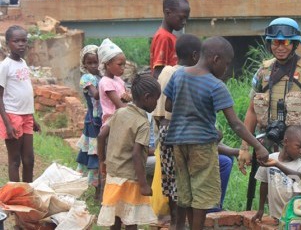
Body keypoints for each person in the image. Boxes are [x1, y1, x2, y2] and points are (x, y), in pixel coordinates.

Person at [164, 36, 269, 230]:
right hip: (202, 146)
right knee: (202, 195)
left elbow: (168, 105)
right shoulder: (216, 85)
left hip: (177, 143)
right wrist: (258, 146)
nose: (227, 69)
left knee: (185, 193)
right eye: (227, 64)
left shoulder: (179, 75)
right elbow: (236, 124)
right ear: (216, 59)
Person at [238, 18, 301, 209]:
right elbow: (252, 110)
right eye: (275, 42)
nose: (280, 47)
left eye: (285, 42)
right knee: (271, 193)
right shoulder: (264, 72)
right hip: (270, 143)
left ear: (294, 43)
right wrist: (245, 147)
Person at [96, 73, 160, 229]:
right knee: (131, 219)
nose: (157, 103)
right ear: (146, 97)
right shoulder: (143, 123)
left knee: (116, 218)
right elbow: (137, 154)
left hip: (113, 175)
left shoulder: (120, 112)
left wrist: (102, 162)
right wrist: (144, 184)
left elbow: (101, 135)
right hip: (131, 178)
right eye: (156, 99)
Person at [153, 34, 202, 226]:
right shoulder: (190, 75)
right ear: (196, 56)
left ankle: (175, 221)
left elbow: (158, 111)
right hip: (182, 133)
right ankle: (183, 222)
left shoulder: (165, 72)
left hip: (164, 130)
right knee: (185, 180)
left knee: (170, 180)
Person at [0, 25, 41, 183]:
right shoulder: (5, 66)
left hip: (27, 117)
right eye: (16, 41)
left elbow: (24, 91)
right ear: (8, 44)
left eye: (24, 41)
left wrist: (33, 118)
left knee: (29, 160)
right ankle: (16, 197)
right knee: (15, 160)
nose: (21, 44)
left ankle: (27, 193)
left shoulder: (23, 62)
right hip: (12, 116)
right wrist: (7, 124)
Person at [251, 126, 301, 223]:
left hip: (290, 217)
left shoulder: (300, 167)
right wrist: (261, 209)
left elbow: (297, 195)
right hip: (275, 216)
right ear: (285, 142)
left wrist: (290, 216)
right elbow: (264, 183)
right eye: (298, 146)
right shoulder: (271, 158)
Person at [76, 45, 102, 199]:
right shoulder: (86, 78)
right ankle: (96, 190)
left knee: (102, 153)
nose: (93, 66)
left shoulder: (102, 77)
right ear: (84, 64)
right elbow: (96, 95)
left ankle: (101, 189)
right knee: (95, 154)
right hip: (93, 121)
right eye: (90, 63)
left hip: (103, 120)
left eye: (96, 62)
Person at [150, 0, 190, 79]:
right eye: (181, 18)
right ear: (168, 13)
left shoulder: (169, 37)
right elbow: (158, 73)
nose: (184, 22)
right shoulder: (163, 37)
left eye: (186, 19)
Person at [97, 38, 131, 125]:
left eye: (124, 64)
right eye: (120, 64)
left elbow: (126, 96)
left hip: (121, 118)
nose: (123, 68)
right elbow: (120, 105)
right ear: (107, 64)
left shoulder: (118, 79)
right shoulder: (106, 82)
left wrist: (128, 96)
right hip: (112, 122)